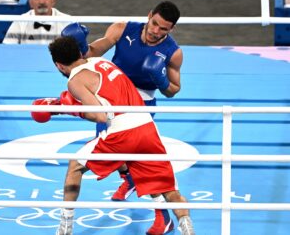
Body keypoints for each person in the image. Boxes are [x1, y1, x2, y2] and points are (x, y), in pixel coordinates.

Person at [30, 36, 194, 235]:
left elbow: (99, 115)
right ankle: (188, 229)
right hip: (147, 128)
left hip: (122, 133)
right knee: (169, 190)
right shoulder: (103, 62)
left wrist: (69, 109)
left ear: (59, 65)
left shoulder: (75, 81)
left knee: (75, 166)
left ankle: (65, 228)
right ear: (79, 53)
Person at [60, 1, 182, 234]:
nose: (156, 31)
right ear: (149, 15)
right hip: (109, 97)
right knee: (118, 152)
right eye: (154, 24)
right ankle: (130, 178)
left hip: (140, 105)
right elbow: (93, 53)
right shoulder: (122, 29)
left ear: (171, 29)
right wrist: (80, 45)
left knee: (139, 159)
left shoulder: (173, 52)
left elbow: (174, 89)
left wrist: (160, 78)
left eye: (163, 29)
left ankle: (162, 216)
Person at [2, 0, 71, 44]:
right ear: (30, 2)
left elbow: (79, 53)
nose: (41, 2)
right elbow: (7, 49)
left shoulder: (67, 22)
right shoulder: (20, 21)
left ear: (53, 0)